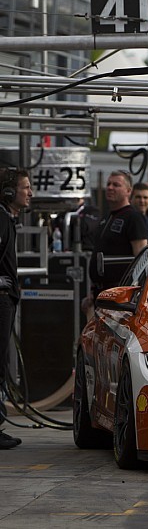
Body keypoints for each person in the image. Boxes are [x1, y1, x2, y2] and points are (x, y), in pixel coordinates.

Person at [0, 167, 32, 450]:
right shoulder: (0, 219)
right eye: (25, 187)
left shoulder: (7, 220)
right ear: (9, 192)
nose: (30, 193)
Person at [88, 171, 148, 299]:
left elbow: (142, 259)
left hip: (120, 294)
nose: (110, 187)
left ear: (128, 191)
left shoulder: (133, 217)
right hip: (100, 292)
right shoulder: (106, 218)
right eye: (109, 184)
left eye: (116, 185)